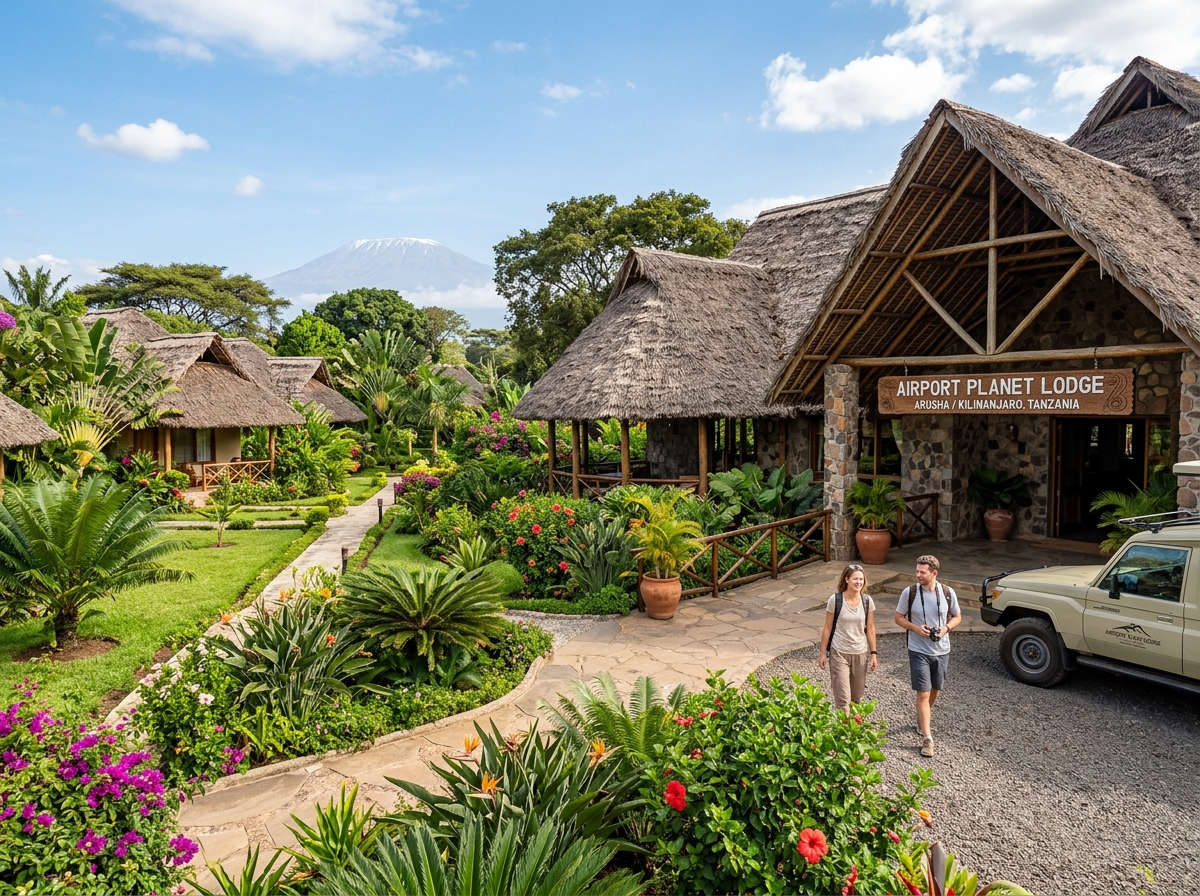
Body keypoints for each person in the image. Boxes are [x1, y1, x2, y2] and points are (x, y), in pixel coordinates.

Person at [894, 554, 961, 758]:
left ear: (934, 573)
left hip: (942, 649)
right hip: (918, 649)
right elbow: (898, 618)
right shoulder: (910, 592)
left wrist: (945, 628)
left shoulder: (948, 592)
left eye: (922, 572)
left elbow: (957, 616)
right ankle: (927, 738)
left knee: (935, 689)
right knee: (922, 693)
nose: (918, 575)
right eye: (917, 571)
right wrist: (915, 628)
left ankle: (923, 718)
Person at [818, 564, 878, 712]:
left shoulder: (867, 601)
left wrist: (873, 653)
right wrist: (823, 653)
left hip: (860, 652)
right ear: (846, 579)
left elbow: (870, 628)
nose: (858, 582)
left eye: (861, 579)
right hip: (839, 652)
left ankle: (854, 730)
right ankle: (843, 731)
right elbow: (827, 627)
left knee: (856, 698)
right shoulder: (835, 600)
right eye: (855, 579)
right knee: (843, 699)